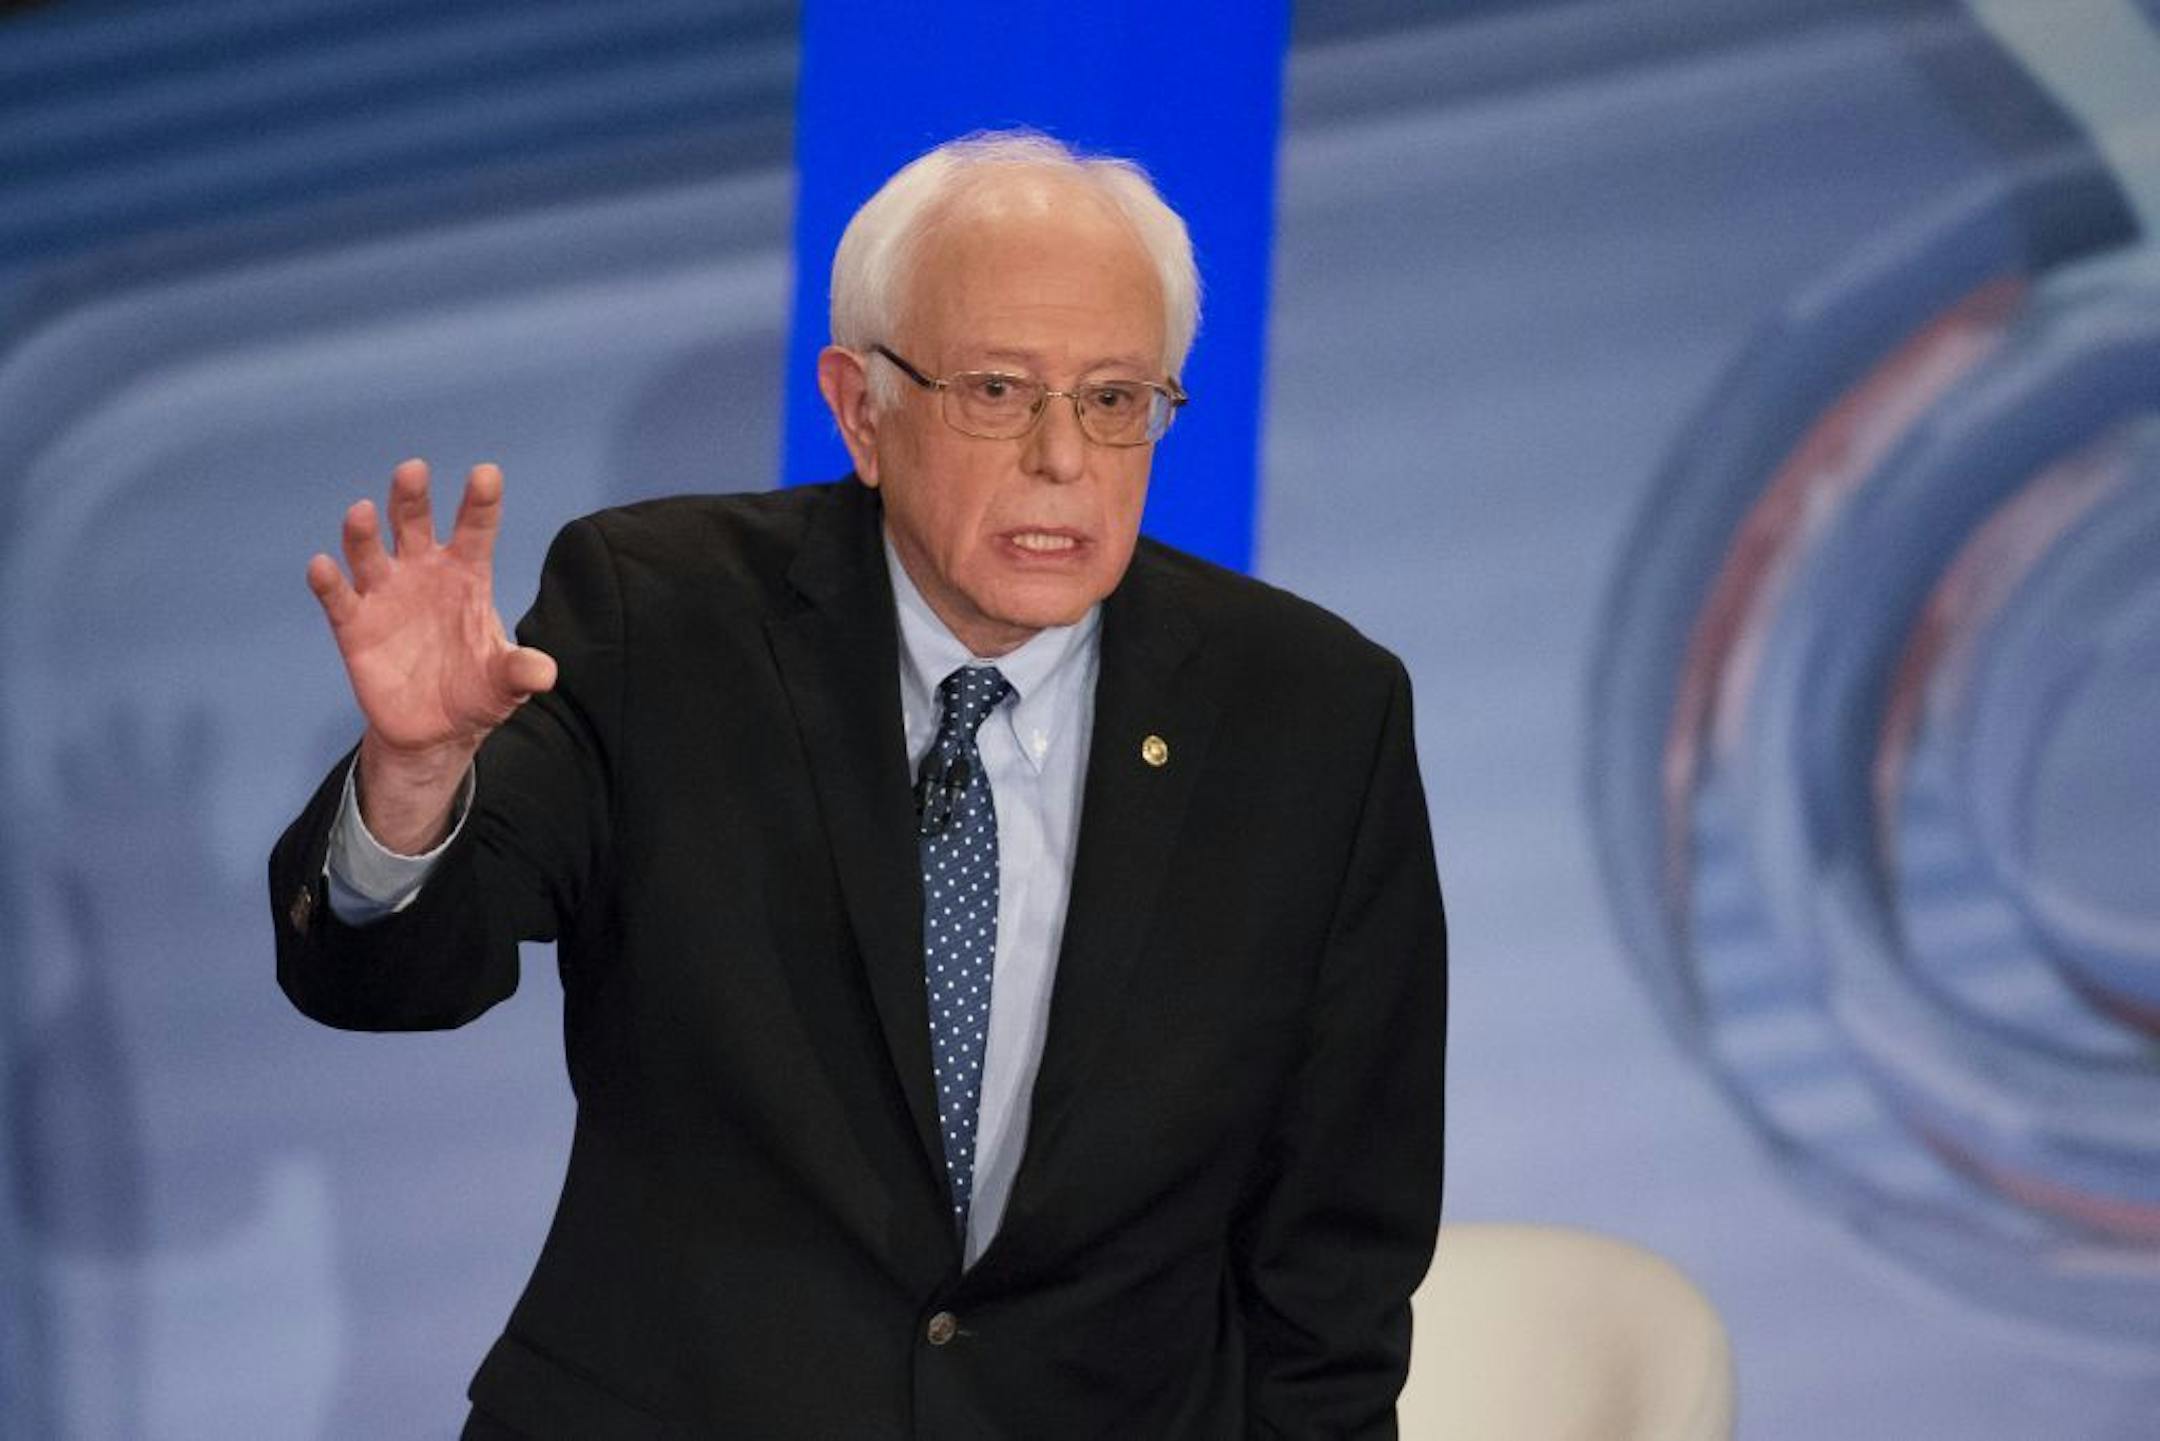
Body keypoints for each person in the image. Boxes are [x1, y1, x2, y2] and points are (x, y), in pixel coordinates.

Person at [270, 131, 1446, 1439]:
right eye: (999, 390)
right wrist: (418, 779)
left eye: (1116, 400)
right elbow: (397, 975)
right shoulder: (661, 617)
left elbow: (1333, 1272)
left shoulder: (1311, 715)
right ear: (858, 406)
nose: (1063, 459)